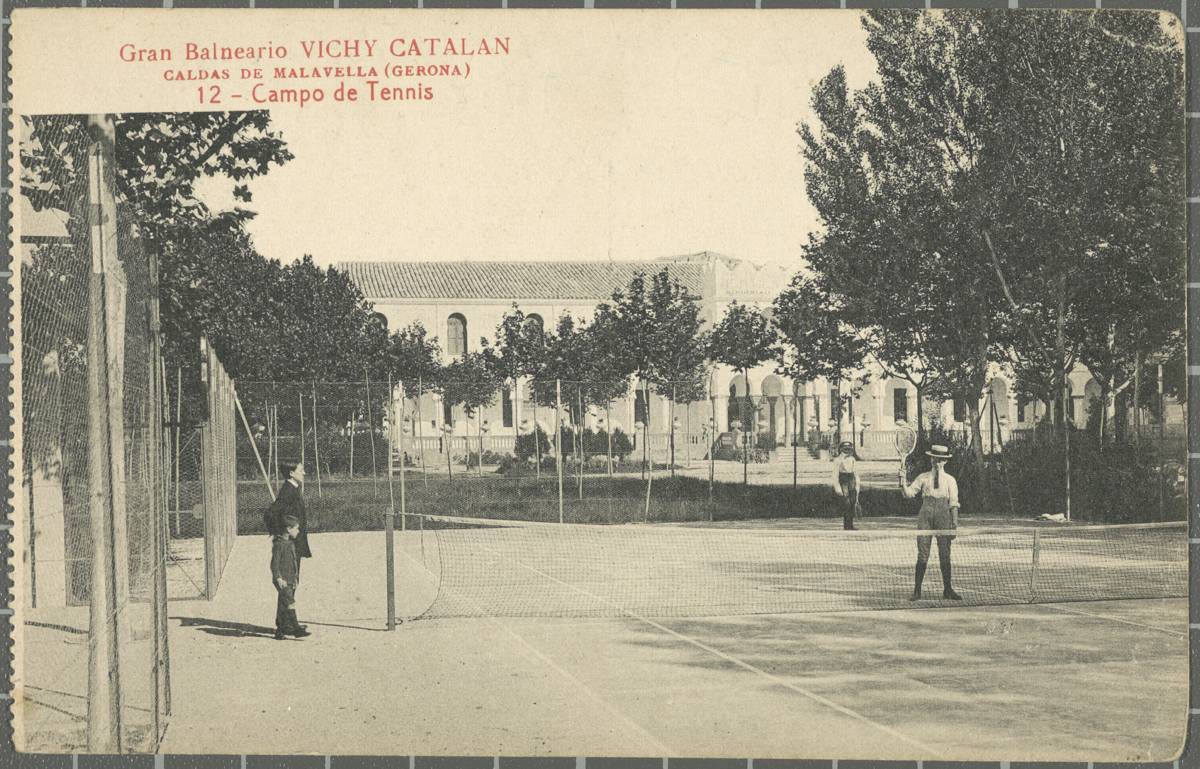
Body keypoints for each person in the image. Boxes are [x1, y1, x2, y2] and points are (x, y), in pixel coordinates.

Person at [898, 444, 962, 601]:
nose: (937, 463)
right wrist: (902, 481)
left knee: (945, 553)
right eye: (935, 459)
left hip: (943, 515)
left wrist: (954, 523)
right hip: (925, 514)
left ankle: (948, 590)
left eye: (940, 460)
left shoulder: (950, 480)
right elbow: (908, 494)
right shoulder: (923, 477)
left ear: (945, 462)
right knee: (923, 553)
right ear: (931, 459)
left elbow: (953, 503)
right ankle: (917, 591)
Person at [267, 462, 312, 629]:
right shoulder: (288, 491)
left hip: (293, 542)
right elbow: (272, 513)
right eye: (301, 470)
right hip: (289, 544)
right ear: (291, 473)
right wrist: (283, 535)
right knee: (287, 583)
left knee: (289, 583)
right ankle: (285, 625)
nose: (304, 473)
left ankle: (285, 623)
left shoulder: (293, 488)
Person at [271, 515, 310, 640]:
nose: (298, 531)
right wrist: (278, 578)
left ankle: (280, 631)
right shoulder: (279, 545)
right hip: (282, 581)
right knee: (290, 603)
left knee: (284, 605)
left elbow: (293, 562)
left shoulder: (290, 543)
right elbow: (274, 564)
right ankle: (296, 628)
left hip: (290, 579)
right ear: (288, 529)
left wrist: (296, 578)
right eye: (296, 529)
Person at [830, 441, 860, 530]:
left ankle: (850, 524)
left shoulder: (852, 459)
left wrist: (857, 484)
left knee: (853, 502)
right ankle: (846, 525)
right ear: (841, 449)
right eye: (845, 449)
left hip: (851, 480)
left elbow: (856, 473)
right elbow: (835, 475)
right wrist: (837, 487)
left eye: (848, 449)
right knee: (846, 503)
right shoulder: (838, 460)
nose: (847, 451)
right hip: (843, 480)